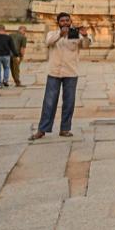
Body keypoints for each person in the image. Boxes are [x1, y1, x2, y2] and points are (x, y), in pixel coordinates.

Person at [30, 12, 92, 140]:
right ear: (58, 23)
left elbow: (86, 45)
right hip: (54, 72)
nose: (65, 23)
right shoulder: (52, 34)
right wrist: (60, 34)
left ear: (71, 22)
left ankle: (65, 129)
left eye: (67, 20)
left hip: (71, 72)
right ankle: (42, 129)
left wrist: (85, 35)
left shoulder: (77, 35)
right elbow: (48, 42)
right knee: (49, 102)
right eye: (62, 21)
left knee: (69, 102)